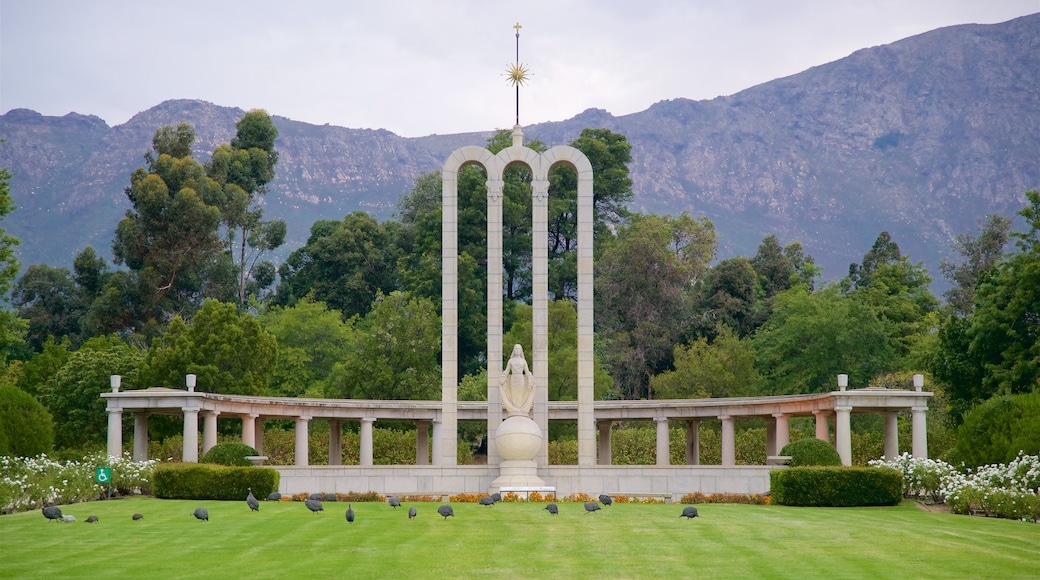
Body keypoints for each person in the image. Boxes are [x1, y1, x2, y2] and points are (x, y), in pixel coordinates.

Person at [500, 344, 535, 417]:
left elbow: (527, 372)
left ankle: (519, 408)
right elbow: (506, 371)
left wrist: (531, 379)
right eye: (516, 349)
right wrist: (502, 378)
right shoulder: (510, 361)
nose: (517, 350)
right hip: (513, 378)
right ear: (514, 350)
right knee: (514, 394)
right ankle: (514, 409)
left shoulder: (523, 361)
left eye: (519, 349)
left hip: (520, 379)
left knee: (520, 394)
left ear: (521, 351)